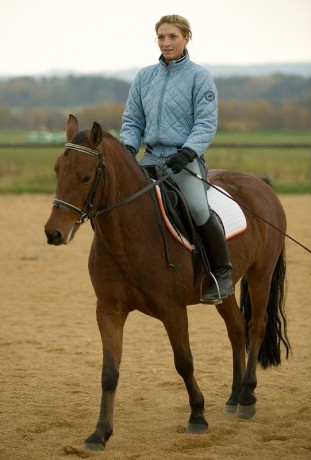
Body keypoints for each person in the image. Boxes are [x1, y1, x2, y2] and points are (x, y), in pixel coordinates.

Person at [120, 14, 234, 303]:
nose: (166, 42)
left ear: (186, 38)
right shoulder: (144, 77)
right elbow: (132, 120)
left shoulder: (199, 77)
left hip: (184, 159)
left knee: (197, 208)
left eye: (172, 36)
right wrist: (127, 150)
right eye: (161, 37)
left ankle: (221, 274)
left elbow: (206, 123)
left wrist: (188, 152)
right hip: (150, 158)